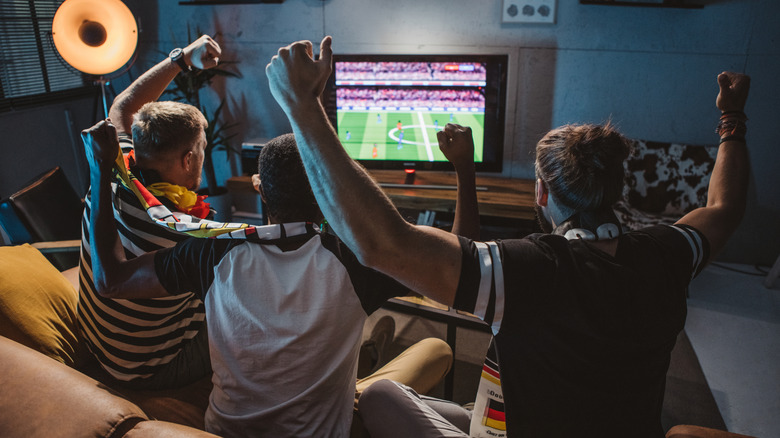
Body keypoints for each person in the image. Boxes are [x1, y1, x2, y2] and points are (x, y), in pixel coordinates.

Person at [264, 36, 751, 437]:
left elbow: (383, 244)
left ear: (540, 192)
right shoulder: (668, 252)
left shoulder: (527, 269)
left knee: (378, 396)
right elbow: (724, 208)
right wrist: (732, 123)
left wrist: (303, 107)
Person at [82, 122, 464, 437]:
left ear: (259, 188)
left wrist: (100, 170)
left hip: (223, 431)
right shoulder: (359, 259)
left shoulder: (211, 251)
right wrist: (464, 168)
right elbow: (460, 267)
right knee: (435, 349)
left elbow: (111, 280)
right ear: (327, 191)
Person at [78, 34, 222, 389]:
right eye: (202, 150)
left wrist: (182, 58)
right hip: (144, 369)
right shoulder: (186, 230)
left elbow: (123, 107)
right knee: (252, 314)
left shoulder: (113, 174)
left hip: (96, 342)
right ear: (189, 159)